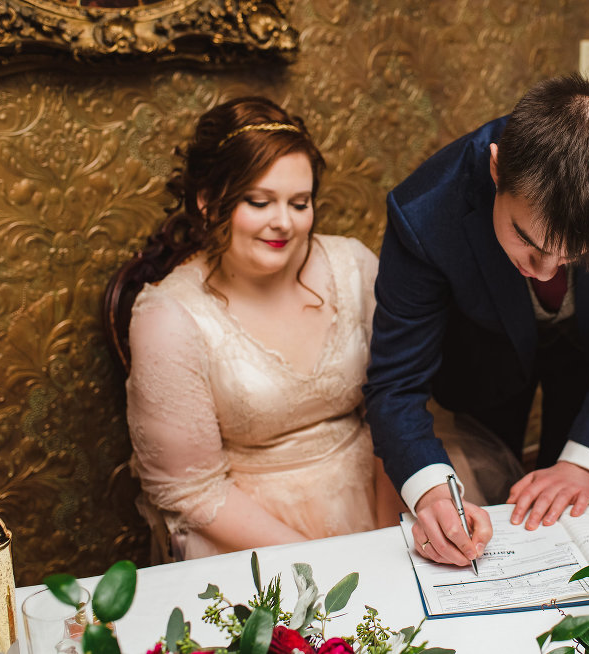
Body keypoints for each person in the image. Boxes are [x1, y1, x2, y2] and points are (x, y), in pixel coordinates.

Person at [364, 74, 589, 568]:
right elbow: (394, 382)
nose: (544, 270)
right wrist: (432, 491)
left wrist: (585, 460)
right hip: (484, 352)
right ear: (498, 170)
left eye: (573, 255)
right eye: (529, 242)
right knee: (499, 511)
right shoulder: (425, 212)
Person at [125, 97, 403, 561]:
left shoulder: (353, 266)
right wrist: (322, 560)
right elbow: (193, 490)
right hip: (248, 530)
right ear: (209, 201)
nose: (284, 223)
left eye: (300, 203)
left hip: (377, 488)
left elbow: (393, 401)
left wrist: (385, 534)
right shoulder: (168, 317)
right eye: (260, 201)